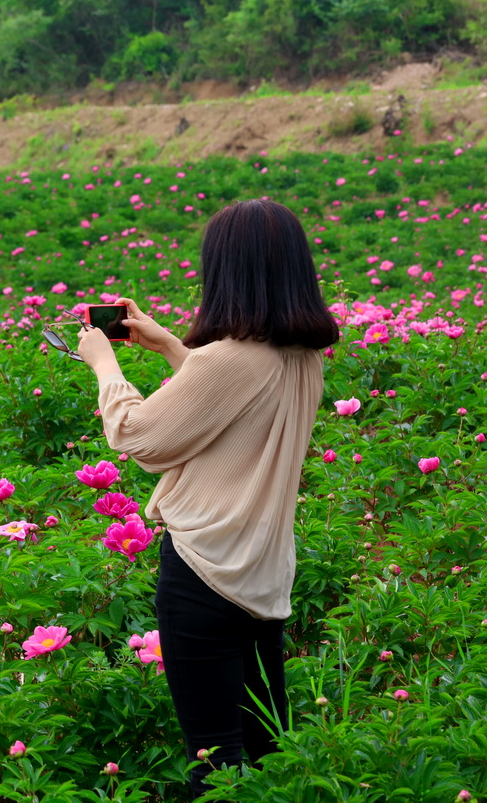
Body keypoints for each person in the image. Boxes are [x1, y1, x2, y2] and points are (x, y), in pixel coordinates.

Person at [74, 198, 339, 797]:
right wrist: (171, 347)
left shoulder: (228, 360)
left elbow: (141, 440)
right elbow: (238, 400)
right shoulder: (303, 357)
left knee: (212, 762)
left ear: (228, 272)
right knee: (268, 749)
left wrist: (104, 364)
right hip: (262, 575)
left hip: (202, 572)